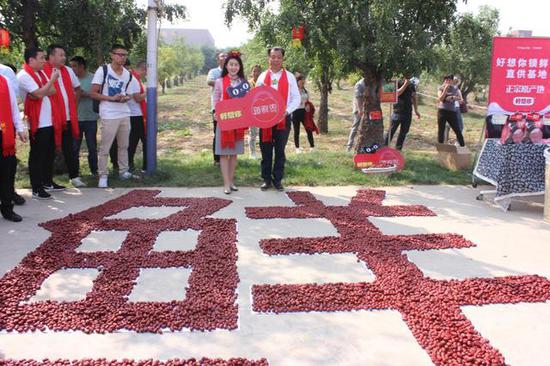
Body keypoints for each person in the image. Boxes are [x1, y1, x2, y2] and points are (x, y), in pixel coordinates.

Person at [89, 44, 141, 188]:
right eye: (119, 54)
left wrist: (125, 98)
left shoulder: (127, 74)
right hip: (108, 113)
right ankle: (103, 175)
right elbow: (93, 93)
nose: (122, 58)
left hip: (124, 113)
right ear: (112, 55)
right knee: (105, 147)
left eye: (125, 55)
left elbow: (129, 94)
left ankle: (123, 171)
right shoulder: (103, 70)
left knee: (124, 145)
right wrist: (111, 98)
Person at [17, 47, 60, 200]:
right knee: (37, 156)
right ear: (31, 60)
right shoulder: (24, 75)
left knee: (49, 153)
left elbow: (51, 91)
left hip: (48, 119)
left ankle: (47, 182)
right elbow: (39, 93)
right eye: (41, 58)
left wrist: (42, 90)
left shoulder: (40, 73)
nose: (44, 61)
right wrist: (50, 82)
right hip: (37, 122)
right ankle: (37, 187)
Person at [256, 47, 300, 192]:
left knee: (280, 150)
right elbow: (255, 97)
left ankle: (278, 179)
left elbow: (296, 98)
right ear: (269, 58)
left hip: (283, 119)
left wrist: (286, 111)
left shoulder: (290, 77)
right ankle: (266, 179)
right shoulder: (262, 76)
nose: (275, 60)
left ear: (282, 59)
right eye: (273, 57)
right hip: (265, 120)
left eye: (278, 57)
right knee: (266, 150)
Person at [45, 44, 86, 188]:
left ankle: (74, 176)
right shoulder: (43, 71)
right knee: (50, 150)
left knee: (71, 149)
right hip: (51, 119)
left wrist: (73, 108)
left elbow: (78, 89)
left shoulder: (68, 70)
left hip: (68, 117)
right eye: (61, 55)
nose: (64, 58)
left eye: (64, 55)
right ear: (51, 56)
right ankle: (47, 180)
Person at [213, 51, 249, 194]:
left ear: (239, 67)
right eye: (231, 64)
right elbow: (216, 99)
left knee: (234, 153)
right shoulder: (219, 82)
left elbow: (247, 101)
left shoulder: (243, 83)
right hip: (224, 119)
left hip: (238, 119)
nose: (234, 67)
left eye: (236, 65)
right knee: (223, 153)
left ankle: (232, 181)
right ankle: (226, 184)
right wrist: (216, 112)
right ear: (226, 66)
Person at [0, 70, 28, 221]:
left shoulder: (4, 80)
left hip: (4, 134)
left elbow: (13, 108)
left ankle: (7, 208)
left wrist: (20, 128)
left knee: (7, 172)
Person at [111, 59, 147, 173]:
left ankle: (129, 165)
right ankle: (137, 166)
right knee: (139, 141)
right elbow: (138, 98)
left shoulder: (134, 78)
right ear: (144, 69)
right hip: (135, 115)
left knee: (133, 141)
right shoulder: (133, 79)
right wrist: (150, 90)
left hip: (134, 114)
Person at [70, 56, 99, 176]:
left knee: (92, 147)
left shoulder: (93, 79)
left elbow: (97, 94)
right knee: (74, 148)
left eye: (74, 66)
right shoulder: (70, 79)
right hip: (76, 118)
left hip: (91, 118)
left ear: (82, 66)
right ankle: (75, 173)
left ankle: (94, 171)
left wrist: (85, 94)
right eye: (71, 66)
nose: (72, 69)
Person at [385, 76, 421, 151]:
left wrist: (416, 110)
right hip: (397, 111)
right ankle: (384, 148)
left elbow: (414, 96)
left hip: (408, 112)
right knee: (391, 131)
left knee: (403, 132)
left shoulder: (412, 84)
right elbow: (396, 93)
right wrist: (405, 84)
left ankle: (398, 150)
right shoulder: (397, 82)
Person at [207, 52, 227, 165]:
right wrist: (224, 83)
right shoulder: (214, 72)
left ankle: (227, 156)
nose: (224, 58)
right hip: (217, 106)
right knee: (218, 133)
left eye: (226, 56)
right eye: (222, 56)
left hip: (230, 107)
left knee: (229, 133)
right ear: (217, 59)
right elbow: (209, 81)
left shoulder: (231, 71)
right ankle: (217, 159)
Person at [437, 74, 465, 147]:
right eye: (446, 80)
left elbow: (460, 98)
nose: (447, 81)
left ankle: (462, 146)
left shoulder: (455, 88)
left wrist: (451, 97)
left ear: (452, 81)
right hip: (442, 111)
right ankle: (441, 147)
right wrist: (445, 90)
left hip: (452, 112)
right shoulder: (441, 88)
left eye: (449, 80)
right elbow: (440, 99)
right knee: (441, 130)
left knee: (457, 130)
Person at [291, 73, 316, 153]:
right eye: (300, 80)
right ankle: (297, 148)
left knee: (308, 129)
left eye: (303, 80)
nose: (302, 81)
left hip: (304, 112)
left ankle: (312, 147)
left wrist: (308, 106)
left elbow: (307, 101)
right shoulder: (293, 91)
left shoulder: (305, 91)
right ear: (297, 81)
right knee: (296, 131)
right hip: (295, 112)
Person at [346, 78, 365, 152]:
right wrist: (360, 110)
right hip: (359, 109)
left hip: (367, 108)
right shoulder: (359, 84)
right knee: (355, 127)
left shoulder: (371, 82)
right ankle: (349, 146)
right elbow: (358, 98)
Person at [247, 64, 262, 159]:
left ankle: (263, 151)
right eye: (254, 71)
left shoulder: (263, 83)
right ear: (251, 73)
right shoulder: (247, 84)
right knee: (252, 133)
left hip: (262, 111)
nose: (256, 73)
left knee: (262, 133)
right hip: (251, 111)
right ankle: (252, 153)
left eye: (258, 71)